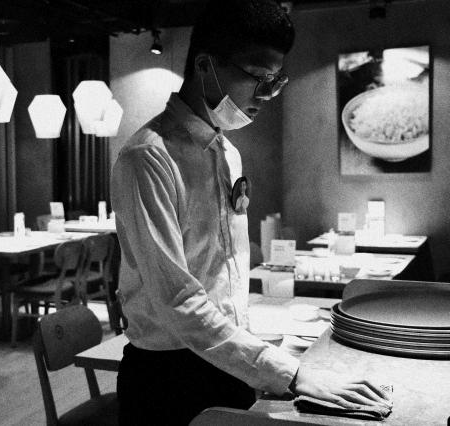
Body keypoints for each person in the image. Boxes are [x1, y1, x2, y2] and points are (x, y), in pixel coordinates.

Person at [110, 1, 393, 425]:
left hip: (229, 359)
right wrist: (290, 372)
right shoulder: (147, 159)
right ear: (205, 65)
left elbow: (225, 272)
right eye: (258, 78)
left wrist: (261, 356)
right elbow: (178, 302)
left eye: (275, 81)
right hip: (169, 376)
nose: (267, 95)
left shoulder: (228, 153)